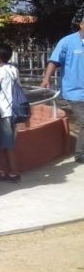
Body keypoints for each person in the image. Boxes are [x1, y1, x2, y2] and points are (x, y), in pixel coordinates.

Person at [41, 18, 84, 164]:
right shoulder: (67, 42)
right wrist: (46, 78)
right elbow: (54, 61)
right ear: (81, 25)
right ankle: (80, 154)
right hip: (74, 91)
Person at [0, 43, 22, 182]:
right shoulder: (14, 69)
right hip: (15, 109)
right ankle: (13, 171)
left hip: (5, 111)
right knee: (10, 142)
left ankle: (14, 173)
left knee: (8, 145)